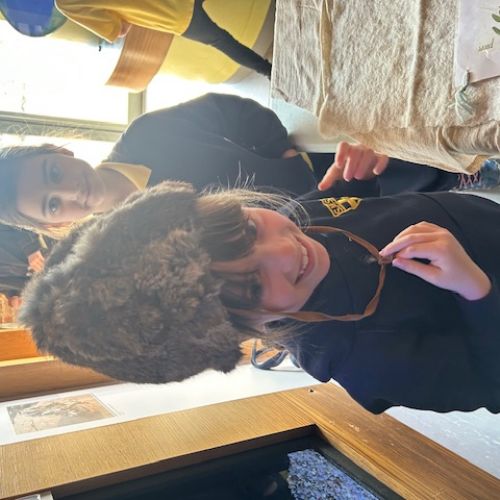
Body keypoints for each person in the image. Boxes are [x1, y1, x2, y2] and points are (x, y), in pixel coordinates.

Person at [19, 180, 500, 414]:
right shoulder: (359, 359)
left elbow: (375, 201)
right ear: (249, 328)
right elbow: (489, 385)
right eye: (253, 285)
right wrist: (475, 290)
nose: (286, 251)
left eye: (250, 229)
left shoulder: (300, 219)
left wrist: (363, 169)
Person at [0, 93, 496, 236]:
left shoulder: (147, 132)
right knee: (442, 226)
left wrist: (276, 148)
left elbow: (231, 109)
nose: (70, 193)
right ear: (55, 224)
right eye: (52, 205)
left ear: (59, 153)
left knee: (446, 169)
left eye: (52, 175)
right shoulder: (136, 237)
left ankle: (470, 172)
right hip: (325, 233)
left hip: (327, 170)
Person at [54, 0, 272, 77]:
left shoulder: (66, 3)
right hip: (177, 13)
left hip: (173, 14)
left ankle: (269, 71)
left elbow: (118, 30)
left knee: (222, 41)